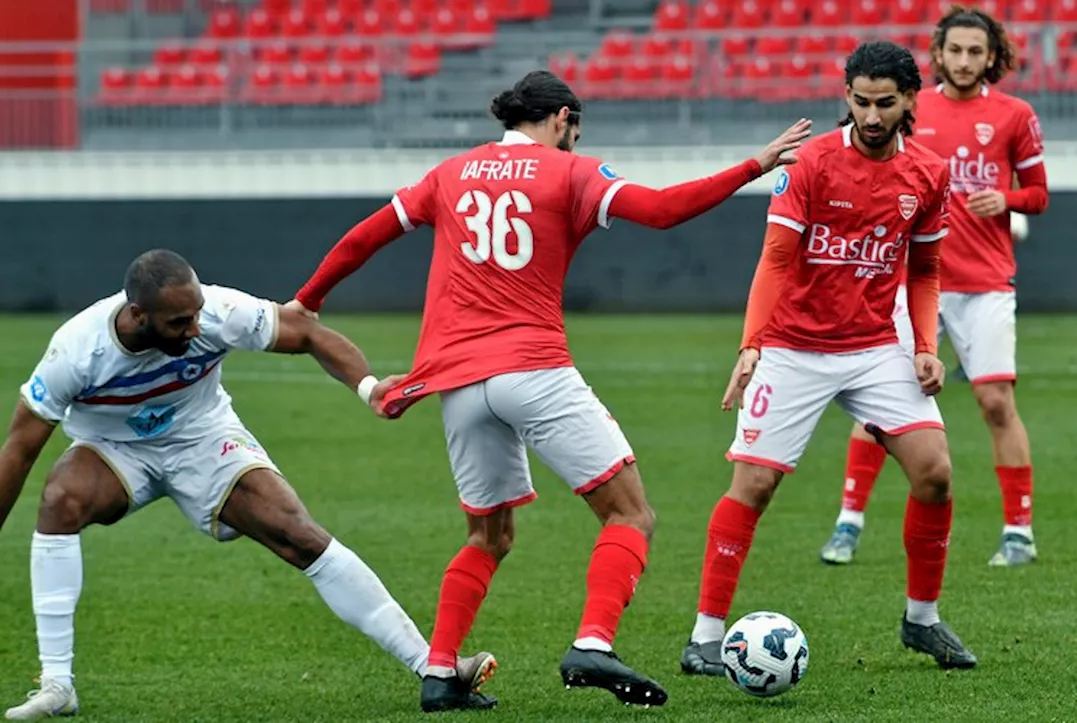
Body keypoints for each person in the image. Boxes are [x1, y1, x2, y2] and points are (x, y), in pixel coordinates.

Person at [286, 70, 811, 712]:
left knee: (489, 536)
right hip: (533, 368)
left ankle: (440, 671)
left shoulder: (449, 174)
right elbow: (665, 210)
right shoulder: (570, 173)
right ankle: (592, 641)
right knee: (630, 513)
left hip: (459, 385)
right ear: (563, 118)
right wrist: (753, 164)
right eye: (575, 130)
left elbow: (367, 234)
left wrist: (308, 300)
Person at [0, 250, 496, 721]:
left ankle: (432, 667)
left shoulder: (217, 310)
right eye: (179, 323)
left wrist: (367, 387)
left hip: (202, 436)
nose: (196, 329)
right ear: (138, 315)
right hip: (114, 449)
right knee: (60, 499)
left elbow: (304, 333)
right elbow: (19, 449)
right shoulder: (76, 349)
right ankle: (57, 685)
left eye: (196, 316)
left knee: (299, 534)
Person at [678, 41, 978, 677]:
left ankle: (921, 621)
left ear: (908, 103)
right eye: (861, 102)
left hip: (875, 346)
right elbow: (777, 260)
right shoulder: (811, 164)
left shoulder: (929, 172)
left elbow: (925, 270)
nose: (871, 116)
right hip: (792, 347)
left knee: (936, 473)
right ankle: (704, 637)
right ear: (847, 97)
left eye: (884, 104)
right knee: (754, 486)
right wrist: (751, 344)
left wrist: (924, 348)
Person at [819, 6, 1050, 568]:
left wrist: (1010, 199)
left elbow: (1039, 194)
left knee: (996, 402)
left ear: (992, 56)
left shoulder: (1016, 115)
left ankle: (1019, 531)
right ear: (939, 54)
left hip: (985, 283)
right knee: (882, 406)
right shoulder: (906, 112)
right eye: (956, 50)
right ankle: (848, 523)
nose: (965, 60)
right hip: (909, 283)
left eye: (977, 51)